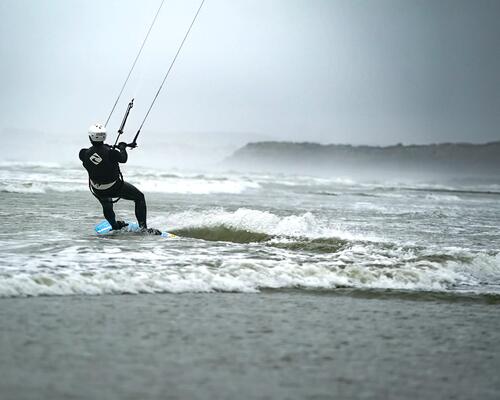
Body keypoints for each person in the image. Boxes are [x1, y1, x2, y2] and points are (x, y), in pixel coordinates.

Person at [79, 123, 160, 234]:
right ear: (104, 136)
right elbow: (123, 158)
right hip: (114, 187)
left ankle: (115, 226)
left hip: (97, 189)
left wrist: (113, 148)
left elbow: (98, 153)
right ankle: (143, 229)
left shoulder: (83, 153)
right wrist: (122, 148)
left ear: (90, 137)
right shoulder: (111, 153)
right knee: (139, 197)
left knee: (106, 204)